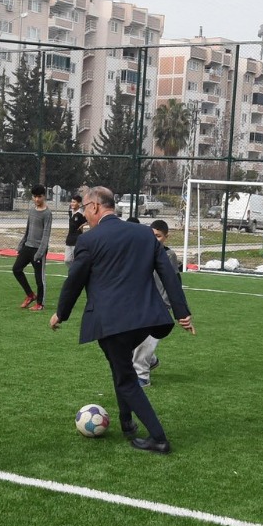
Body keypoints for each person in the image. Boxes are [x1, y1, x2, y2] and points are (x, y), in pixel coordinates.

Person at [51, 187, 193, 454]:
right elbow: (168, 274)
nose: (84, 216)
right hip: (144, 320)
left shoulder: (90, 240)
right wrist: (182, 312)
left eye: (85, 210)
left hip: (112, 323)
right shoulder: (145, 233)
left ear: (94, 207)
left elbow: (75, 280)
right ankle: (127, 423)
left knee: (126, 379)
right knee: (122, 370)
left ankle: (159, 438)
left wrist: (62, 312)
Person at [131, 219, 183, 387]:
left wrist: (175, 306)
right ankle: (151, 360)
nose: (155, 239)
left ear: (166, 237)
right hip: (141, 302)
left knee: (147, 340)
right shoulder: (141, 253)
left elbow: (173, 281)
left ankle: (142, 376)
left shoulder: (169, 255)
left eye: (159, 236)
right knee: (131, 339)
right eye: (152, 235)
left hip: (160, 305)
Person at [12, 184, 52, 310]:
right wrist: (21, 245)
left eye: (39, 197)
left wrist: (40, 253)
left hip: (38, 250)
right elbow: (28, 229)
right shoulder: (32, 210)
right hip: (27, 246)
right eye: (34, 197)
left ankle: (40, 304)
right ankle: (30, 295)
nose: (36, 199)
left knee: (39, 279)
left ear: (44, 196)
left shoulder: (47, 214)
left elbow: (46, 235)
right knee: (16, 269)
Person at [63, 193, 85, 267]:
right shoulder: (70, 212)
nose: (72, 203)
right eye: (71, 202)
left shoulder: (80, 214)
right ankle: (73, 272)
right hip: (69, 239)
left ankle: (75, 275)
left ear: (78, 203)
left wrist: (83, 225)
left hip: (77, 240)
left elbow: (89, 220)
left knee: (76, 259)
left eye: (74, 202)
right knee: (67, 260)